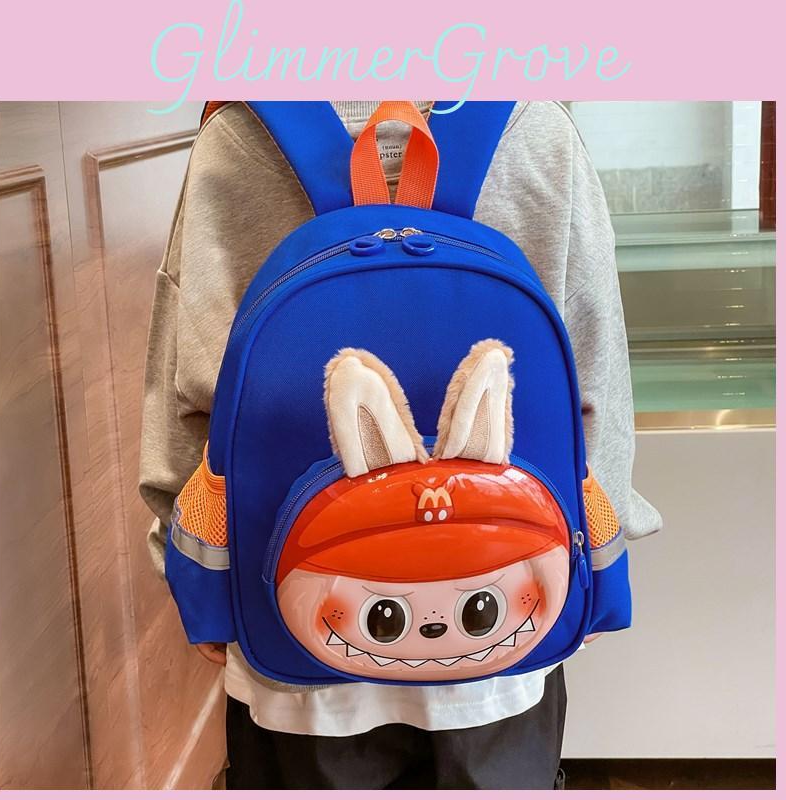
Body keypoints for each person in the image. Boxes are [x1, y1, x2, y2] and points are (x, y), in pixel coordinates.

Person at [139, 100, 662, 790]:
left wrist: (192, 574)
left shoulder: (241, 130)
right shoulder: (535, 126)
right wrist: (596, 562)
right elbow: (594, 371)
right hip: (504, 621)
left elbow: (189, 379)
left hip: (292, 634)